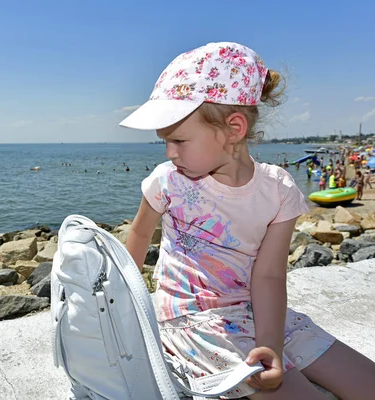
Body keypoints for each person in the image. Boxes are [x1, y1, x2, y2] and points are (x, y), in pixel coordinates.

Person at [120, 42, 375, 399]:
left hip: (261, 312)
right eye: (164, 141)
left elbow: (269, 275)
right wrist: (124, 306)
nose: (168, 152)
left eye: (178, 140)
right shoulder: (168, 181)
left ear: (233, 129)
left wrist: (270, 344)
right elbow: (139, 233)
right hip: (192, 320)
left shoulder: (277, 191)